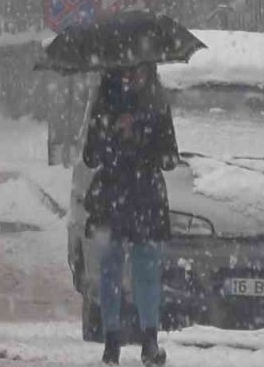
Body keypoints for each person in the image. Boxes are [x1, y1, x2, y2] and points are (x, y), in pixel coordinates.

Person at [82, 63, 178, 366]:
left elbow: (170, 158)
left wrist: (141, 135)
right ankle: (112, 340)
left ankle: (149, 339)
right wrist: (113, 131)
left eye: (140, 70)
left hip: (145, 195)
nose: (133, 76)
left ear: (150, 72)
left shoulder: (157, 105)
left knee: (146, 267)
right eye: (127, 70)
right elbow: (90, 156)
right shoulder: (104, 104)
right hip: (113, 194)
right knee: (110, 266)